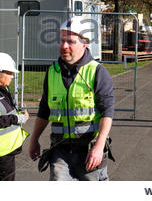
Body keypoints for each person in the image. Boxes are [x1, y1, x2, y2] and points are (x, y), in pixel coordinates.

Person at [28, 16, 115, 181]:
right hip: (60, 151)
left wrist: (99, 145)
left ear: (84, 43)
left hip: (89, 151)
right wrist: (34, 140)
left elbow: (107, 112)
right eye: (62, 41)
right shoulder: (52, 72)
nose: (64, 46)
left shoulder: (97, 71)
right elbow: (44, 110)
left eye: (70, 42)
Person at [0, 53, 29, 181]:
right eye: (9, 73)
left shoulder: (3, 90)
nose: (12, 77)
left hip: (6, 151)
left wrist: (18, 113)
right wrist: (17, 119)